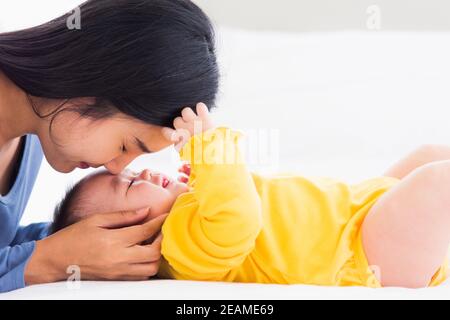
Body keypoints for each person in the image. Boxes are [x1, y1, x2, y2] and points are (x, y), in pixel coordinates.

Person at [49, 104, 449, 288]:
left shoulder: (192, 210)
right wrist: (208, 151)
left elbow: (228, 198)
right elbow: (236, 221)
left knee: (428, 156)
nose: (147, 171)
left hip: (358, 214)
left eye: (136, 172)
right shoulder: (179, 249)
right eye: (134, 185)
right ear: (129, 235)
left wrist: (203, 180)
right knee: (436, 184)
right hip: (361, 256)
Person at [0, 0, 219, 292]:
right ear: (87, 84)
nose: (116, 167)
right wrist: (49, 259)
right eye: (126, 145)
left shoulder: (35, 133)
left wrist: (86, 242)